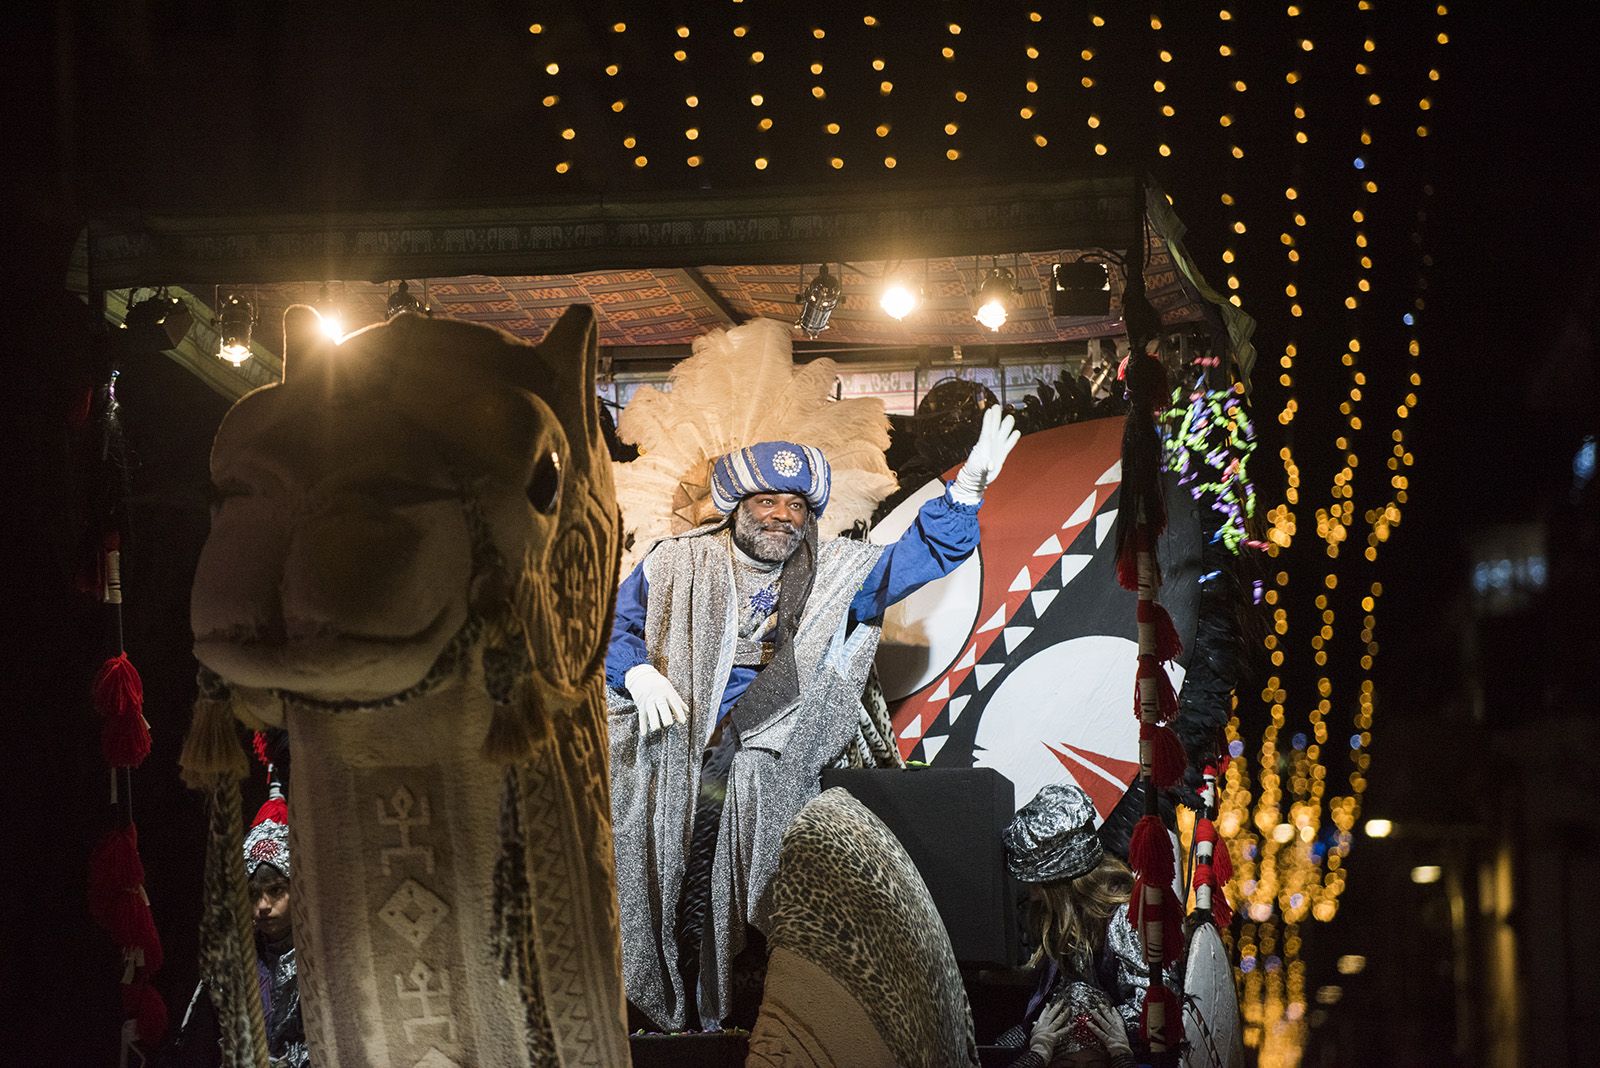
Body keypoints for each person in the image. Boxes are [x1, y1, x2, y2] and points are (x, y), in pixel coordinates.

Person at [607, 405, 1020, 1032]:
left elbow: (921, 554)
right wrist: (634, 672)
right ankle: (668, 1016)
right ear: (738, 507)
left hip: (778, 769)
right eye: (767, 501)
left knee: (768, 911)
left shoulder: (836, 573)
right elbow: (613, 625)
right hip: (676, 758)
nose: (782, 515)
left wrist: (966, 492)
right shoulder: (674, 562)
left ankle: (753, 1020)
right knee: (657, 887)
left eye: (797, 505)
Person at [996, 783, 1153, 1068]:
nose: (1030, 892)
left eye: (1037, 883)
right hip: (1053, 1044)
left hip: (1111, 1050)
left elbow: (1151, 1008)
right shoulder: (1049, 915)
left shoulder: (1123, 920)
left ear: (1060, 883)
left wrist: (1087, 1027)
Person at [162, 778, 309, 1068]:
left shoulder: (321, 964)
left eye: (276, 891)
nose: (263, 906)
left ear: (298, 889)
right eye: (253, 895)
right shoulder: (230, 964)